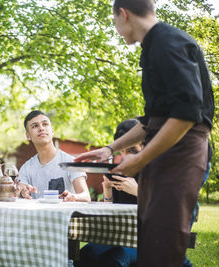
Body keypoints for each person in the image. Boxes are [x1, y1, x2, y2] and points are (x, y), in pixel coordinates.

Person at [75, 1, 214, 266]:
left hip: (181, 155)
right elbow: (152, 121)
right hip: (162, 153)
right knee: (151, 244)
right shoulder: (152, 47)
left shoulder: (168, 41)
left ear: (123, 14)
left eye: (114, 21)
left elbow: (186, 114)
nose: (117, 29)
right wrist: (110, 149)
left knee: (166, 247)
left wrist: (139, 160)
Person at [76, 119, 140, 267]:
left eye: (132, 151)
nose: (125, 157)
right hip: (117, 236)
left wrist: (139, 191)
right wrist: (107, 189)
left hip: (144, 239)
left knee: (113, 260)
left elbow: (167, 211)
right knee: (85, 254)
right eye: (122, 151)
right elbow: (110, 211)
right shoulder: (120, 170)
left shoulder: (156, 170)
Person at [17, 110, 91, 201]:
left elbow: (86, 196)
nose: (41, 128)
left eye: (45, 124)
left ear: (52, 131)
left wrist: (73, 196)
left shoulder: (71, 162)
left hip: (64, 214)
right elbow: (19, 191)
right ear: (28, 136)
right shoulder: (26, 168)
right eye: (35, 126)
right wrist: (23, 192)